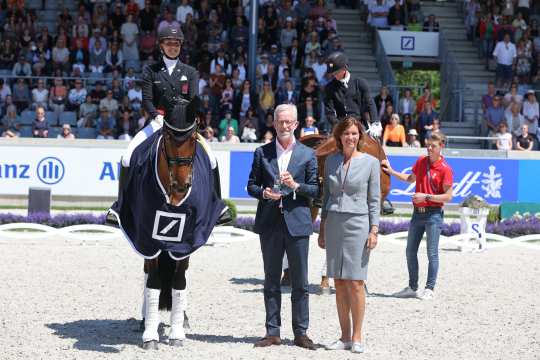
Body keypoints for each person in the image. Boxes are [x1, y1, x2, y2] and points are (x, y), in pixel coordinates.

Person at [247, 104, 319, 350]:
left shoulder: (308, 155)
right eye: (280, 122)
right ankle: (272, 331)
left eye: (289, 122)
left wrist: (296, 185)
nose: (284, 126)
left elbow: (315, 190)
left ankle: (301, 332)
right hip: (270, 223)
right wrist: (265, 193)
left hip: (297, 223)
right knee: (271, 280)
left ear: (296, 124)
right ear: (274, 123)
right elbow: (251, 186)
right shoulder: (261, 152)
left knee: (300, 282)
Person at [318, 117, 380, 354]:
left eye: (355, 134)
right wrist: (322, 229)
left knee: (355, 281)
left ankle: (357, 336)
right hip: (333, 223)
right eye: (347, 134)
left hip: (358, 224)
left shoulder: (371, 163)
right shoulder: (331, 160)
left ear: (360, 136)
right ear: (339, 137)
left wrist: (374, 230)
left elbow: (374, 201)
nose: (351, 137)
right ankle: (343, 336)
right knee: (339, 282)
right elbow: (326, 199)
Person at [382, 132, 453, 300]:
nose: (429, 148)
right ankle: (412, 287)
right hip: (417, 214)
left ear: (441, 146)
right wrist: (391, 171)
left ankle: (429, 288)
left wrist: (426, 197)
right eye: (428, 145)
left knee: (432, 253)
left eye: (433, 146)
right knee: (410, 251)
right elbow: (410, 178)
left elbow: (448, 196)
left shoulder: (445, 169)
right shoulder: (421, 161)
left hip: (434, 214)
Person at [324, 52, 377, 131]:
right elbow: (329, 112)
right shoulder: (329, 87)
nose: (334, 75)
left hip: (359, 124)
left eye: (336, 73)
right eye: (333, 74)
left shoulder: (360, 83)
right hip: (339, 125)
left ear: (345, 68)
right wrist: (338, 126)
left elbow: (370, 103)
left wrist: (375, 123)